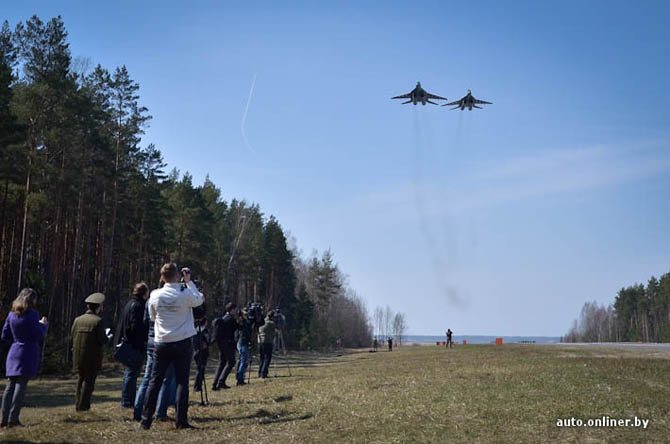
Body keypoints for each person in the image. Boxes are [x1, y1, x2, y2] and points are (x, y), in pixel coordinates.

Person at [140, 264, 203, 430]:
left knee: (155, 381)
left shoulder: (155, 295)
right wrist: (189, 282)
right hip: (182, 341)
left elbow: (152, 316)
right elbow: (199, 300)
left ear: (162, 277)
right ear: (177, 276)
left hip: (162, 342)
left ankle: (146, 420)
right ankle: (181, 421)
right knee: (182, 382)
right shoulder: (185, 293)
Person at [1, 288, 48, 427]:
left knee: (10, 386)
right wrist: (43, 325)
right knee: (21, 385)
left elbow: (5, 335)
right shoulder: (32, 314)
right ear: (31, 299)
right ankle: (13, 419)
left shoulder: (11, 315)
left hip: (14, 350)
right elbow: (37, 334)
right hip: (27, 351)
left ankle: (4, 419)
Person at [133, 300, 176, 422]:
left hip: (152, 342)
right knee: (166, 380)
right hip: (164, 341)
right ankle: (160, 413)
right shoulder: (169, 300)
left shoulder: (150, 301)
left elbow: (146, 321)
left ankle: (137, 411)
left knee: (147, 378)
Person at [71, 292, 112, 411]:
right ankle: (84, 406)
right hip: (92, 357)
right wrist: (108, 337)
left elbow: (72, 335)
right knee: (89, 382)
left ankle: (78, 404)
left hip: (78, 356)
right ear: (98, 307)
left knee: (80, 380)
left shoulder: (78, 320)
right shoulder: (98, 321)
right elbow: (102, 340)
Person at [116, 282, 149, 409]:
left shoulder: (130, 303)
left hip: (131, 343)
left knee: (130, 373)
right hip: (134, 345)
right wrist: (142, 339)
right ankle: (127, 402)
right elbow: (134, 326)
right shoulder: (138, 305)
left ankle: (128, 400)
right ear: (144, 293)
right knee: (131, 373)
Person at [212, 303, 239, 390]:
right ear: (232, 310)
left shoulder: (223, 318)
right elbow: (239, 328)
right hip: (228, 343)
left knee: (222, 363)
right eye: (235, 309)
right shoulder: (230, 319)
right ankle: (221, 381)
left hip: (222, 343)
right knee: (231, 362)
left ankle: (215, 383)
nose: (236, 311)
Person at [192, 317, 211, 392]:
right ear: (205, 322)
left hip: (196, 352)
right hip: (203, 352)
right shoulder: (204, 330)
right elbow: (208, 339)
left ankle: (196, 386)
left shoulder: (195, 330)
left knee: (198, 369)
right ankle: (198, 386)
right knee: (201, 370)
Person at [236, 308, 253, 386]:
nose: (247, 315)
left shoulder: (245, 322)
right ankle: (240, 379)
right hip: (242, 343)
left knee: (242, 361)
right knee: (243, 361)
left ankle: (240, 377)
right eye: (245, 314)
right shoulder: (242, 322)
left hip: (243, 343)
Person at [257, 311, 276, 379]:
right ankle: (263, 373)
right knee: (267, 358)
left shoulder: (261, 322)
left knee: (262, 358)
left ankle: (260, 372)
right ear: (272, 317)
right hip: (267, 342)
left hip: (260, 342)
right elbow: (274, 332)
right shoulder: (271, 323)